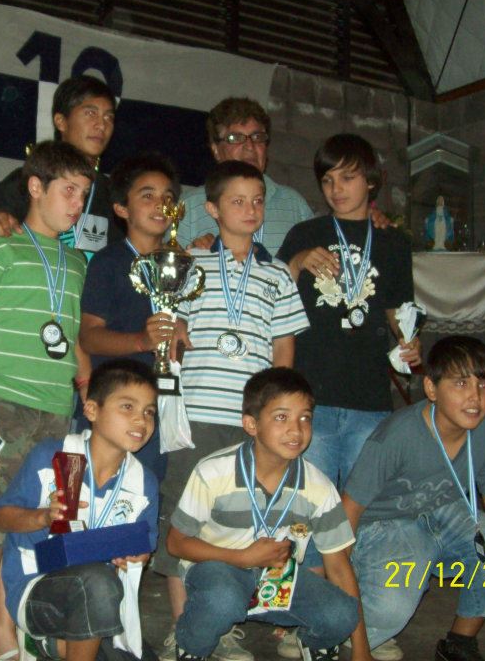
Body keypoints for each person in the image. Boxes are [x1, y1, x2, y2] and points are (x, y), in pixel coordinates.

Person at [155, 160, 309, 661]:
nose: (250, 209)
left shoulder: (277, 275)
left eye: (257, 201)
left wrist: (279, 412)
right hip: (198, 414)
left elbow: (283, 346)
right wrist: (174, 325)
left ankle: (227, 620)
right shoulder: (191, 265)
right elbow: (170, 327)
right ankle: (187, 626)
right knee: (186, 516)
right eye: (237, 201)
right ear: (212, 209)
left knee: (245, 518)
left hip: (253, 422)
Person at [0, 140, 95, 661]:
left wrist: (85, 380)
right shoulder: (0, 246)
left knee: (32, 519)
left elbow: (66, 332)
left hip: (55, 410)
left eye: (84, 194)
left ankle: (5, 629)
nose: (78, 204)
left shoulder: (75, 261)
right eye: (68, 190)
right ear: (35, 187)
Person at [167, 367, 370, 661]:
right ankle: (191, 645)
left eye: (305, 418)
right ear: (251, 424)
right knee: (222, 599)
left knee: (341, 612)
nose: (296, 430)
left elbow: (338, 566)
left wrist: (362, 651)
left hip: (278, 579)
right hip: (218, 570)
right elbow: (176, 543)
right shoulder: (213, 472)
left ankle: (313, 643)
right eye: (281, 417)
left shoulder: (319, 487)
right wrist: (242, 558)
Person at [342, 336, 485, 661]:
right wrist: (336, 580)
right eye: (461, 383)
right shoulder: (398, 434)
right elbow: (349, 510)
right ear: (431, 389)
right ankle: (339, 629)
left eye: (484, 384)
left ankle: (459, 642)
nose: (475, 396)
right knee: (390, 611)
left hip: (445, 512)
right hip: (386, 523)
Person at [276, 134, 421, 491]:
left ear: (371, 180)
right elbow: (270, 296)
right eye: (327, 180)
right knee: (312, 503)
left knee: (364, 505)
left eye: (347, 177)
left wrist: (410, 341)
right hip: (311, 394)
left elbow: (398, 309)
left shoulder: (394, 242)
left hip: (369, 395)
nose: (336, 189)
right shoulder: (305, 233)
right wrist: (297, 262)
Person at [0, 359, 160, 661]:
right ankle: (45, 638)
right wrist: (42, 516)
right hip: (38, 589)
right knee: (96, 581)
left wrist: (137, 557)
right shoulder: (54, 457)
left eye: (149, 412)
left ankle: (50, 646)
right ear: (92, 410)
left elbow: (143, 546)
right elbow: (1, 517)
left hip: (104, 603)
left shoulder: (142, 482)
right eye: (127, 407)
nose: (141, 420)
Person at [78, 152, 182, 481]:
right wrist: (140, 341)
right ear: (122, 208)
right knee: (94, 489)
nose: (161, 205)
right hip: (114, 403)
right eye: (147, 196)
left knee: (147, 489)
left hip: (161, 404)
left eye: (168, 197)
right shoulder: (108, 262)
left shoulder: (184, 266)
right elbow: (88, 336)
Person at [0, 75, 118, 265]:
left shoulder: (114, 193)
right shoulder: (31, 179)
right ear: (61, 121)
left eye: (109, 117)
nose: (101, 125)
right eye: (90, 113)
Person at [175, 98, 312, 255]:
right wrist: (190, 254)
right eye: (236, 138)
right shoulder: (189, 207)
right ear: (216, 150)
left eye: (257, 137)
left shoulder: (294, 205)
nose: (249, 146)